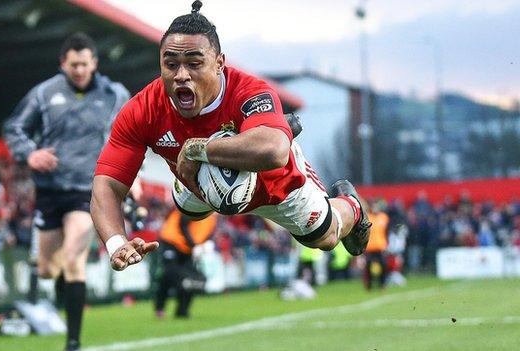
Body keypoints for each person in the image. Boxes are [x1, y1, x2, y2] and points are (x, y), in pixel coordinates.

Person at [90, 1, 371, 273]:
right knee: (189, 209)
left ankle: (350, 205)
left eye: (194, 63)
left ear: (219, 63)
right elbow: (107, 186)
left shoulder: (249, 90)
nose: (181, 75)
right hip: (197, 181)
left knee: (325, 238)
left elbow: (273, 152)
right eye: (171, 64)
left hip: (272, 183)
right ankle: (261, 133)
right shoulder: (142, 110)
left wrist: (195, 150)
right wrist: (116, 242)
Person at [4, 32, 129, 351]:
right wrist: (30, 153)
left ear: (94, 63)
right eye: (73, 65)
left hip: (87, 189)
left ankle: (73, 341)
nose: (79, 71)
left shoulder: (114, 94)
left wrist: (131, 175)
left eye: (84, 65)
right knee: (48, 269)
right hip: (49, 190)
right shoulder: (44, 94)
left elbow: (129, 136)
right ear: (63, 63)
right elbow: (15, 128)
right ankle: (61, 281)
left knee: (74, 258)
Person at [154, 210, 217, 318]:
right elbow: (183, 224)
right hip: (172, 242)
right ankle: (160, 307)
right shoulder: (197, 206)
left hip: (187, 249)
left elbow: (207, 234)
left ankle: (182, 310)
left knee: (189, 278)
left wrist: (206, 244)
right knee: (169, 274)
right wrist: (194, 245)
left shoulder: (212, 220)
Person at [363, 200, 389, 290]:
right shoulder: (368, 217)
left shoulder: (384, 217)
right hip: (370, 247)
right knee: (368, 267)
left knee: (383, 266)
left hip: (380, 246)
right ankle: (369, 285)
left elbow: (387, 232)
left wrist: (387, 244)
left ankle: (382, 284)